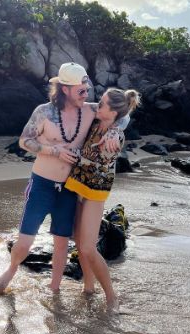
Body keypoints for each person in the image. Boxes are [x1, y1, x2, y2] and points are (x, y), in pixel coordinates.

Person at [0, 63, 124, 295]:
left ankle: (54, 288)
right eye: (81, 90)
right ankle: (12, 269)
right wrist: (53, 150)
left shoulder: (89, 110)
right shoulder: (44, 112)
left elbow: (121, 113)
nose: (86, 93)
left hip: (70, 188)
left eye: (87, 88)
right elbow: (25, 140)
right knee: (24, 243)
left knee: (62, 241)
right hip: (42, 184)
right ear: (65, 89)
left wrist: (114, 132)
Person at [64, 88, 141, 313]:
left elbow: (119, 129)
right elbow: (121, 117)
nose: (99, 105)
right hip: (76, 186)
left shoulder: (115, 134)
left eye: (104, 104)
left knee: (87, 247)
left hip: (93, 194)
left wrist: (115, 132)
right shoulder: (97, 123)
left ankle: (111, 296)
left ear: (114, 111)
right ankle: (88, 288)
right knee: (79, 243)